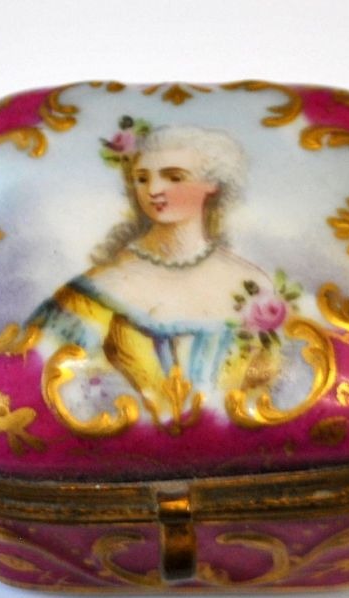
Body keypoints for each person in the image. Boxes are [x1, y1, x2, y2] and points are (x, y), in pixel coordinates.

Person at [28, 121, 302, 434]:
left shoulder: (253, 287)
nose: (154, 190)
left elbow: (280, 387)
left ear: (212, 184)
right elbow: (50, 381)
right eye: (142, 178)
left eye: (174, 177)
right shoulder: (97, 289)